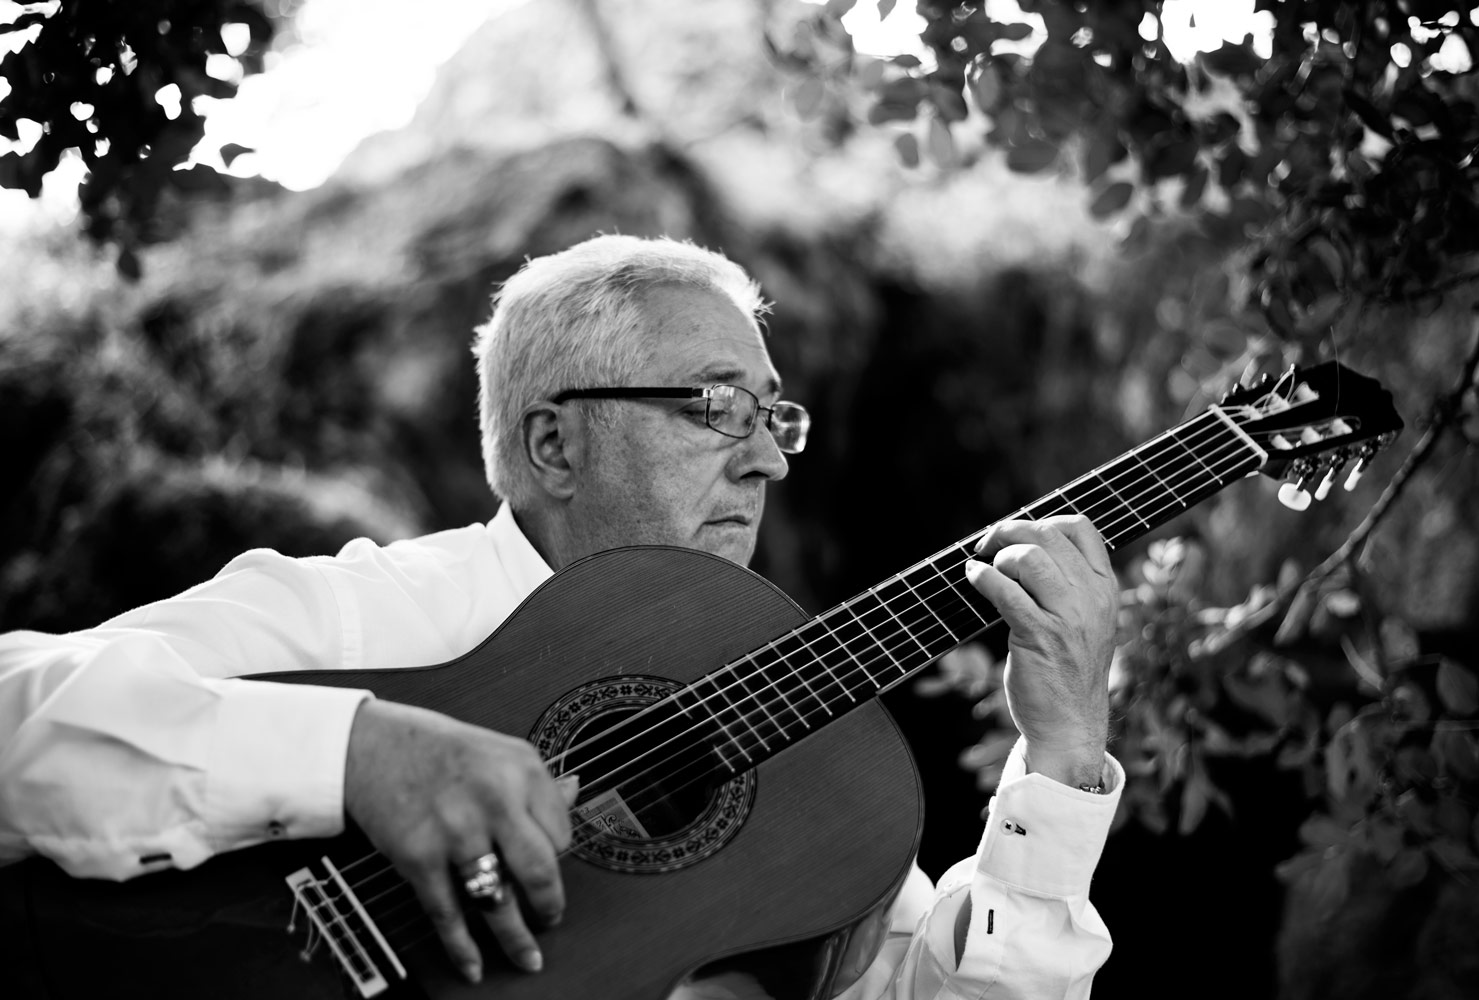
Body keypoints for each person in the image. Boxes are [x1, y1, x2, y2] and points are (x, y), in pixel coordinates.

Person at [0, 235, 1122, 999]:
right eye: (718, 406)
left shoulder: (808, 757)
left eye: (776, 416)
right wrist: (359, 753)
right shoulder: (366, 615)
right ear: (553, 444)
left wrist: (1063, 758)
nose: (769, 459)